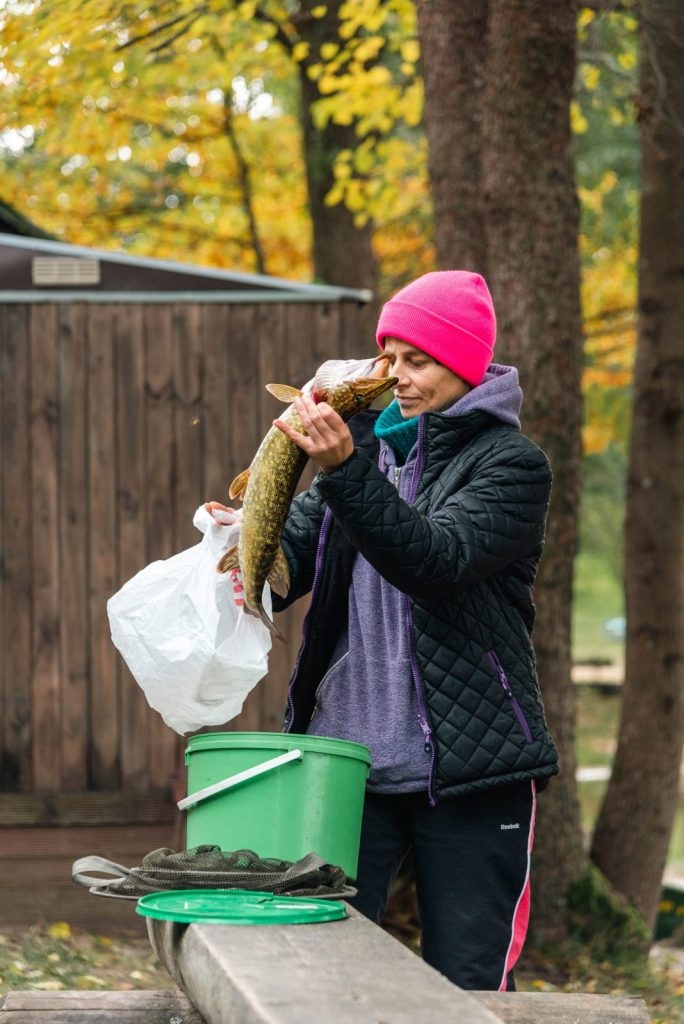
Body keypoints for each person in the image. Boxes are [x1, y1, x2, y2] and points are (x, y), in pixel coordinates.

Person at [208, 270, 558, 991]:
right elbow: (293, 562)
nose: (396, 376)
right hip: (346, 767)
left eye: (418, 361)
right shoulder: (367, 454)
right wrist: (247, 549)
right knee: (329, 976)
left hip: (471, 767)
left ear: (464, 365)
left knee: (469, 984)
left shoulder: (511, 466)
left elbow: (435, 560)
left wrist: (342, 468)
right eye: (389, 357)